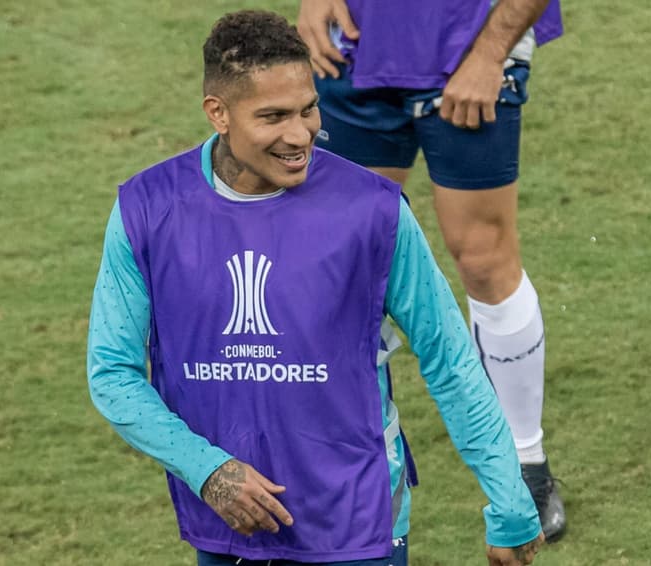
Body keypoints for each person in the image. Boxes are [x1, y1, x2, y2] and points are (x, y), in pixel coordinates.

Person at [87, 10, 543, 566]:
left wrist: (510, 500)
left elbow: (449, 359)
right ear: (218, 114)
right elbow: (112, 373)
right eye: (273, 117)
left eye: (308, 110)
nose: (299, 135)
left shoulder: (372, 211)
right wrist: (208, 470)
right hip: (230, 526)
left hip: (356, 522)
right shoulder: (147, 209)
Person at [296, 0, 567, 541]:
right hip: (351, 51)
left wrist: (491, 55)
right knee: (347, 258)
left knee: (483, 258)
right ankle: (341, 459)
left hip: (470, 46)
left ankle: (525, 464)